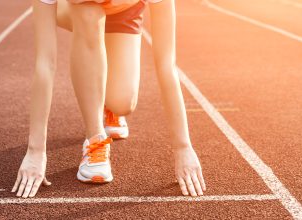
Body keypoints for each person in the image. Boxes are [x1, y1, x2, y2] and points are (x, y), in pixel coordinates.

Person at [12, 0, 206, 198]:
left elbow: (166, 65)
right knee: (89, 14)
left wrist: (183, 147)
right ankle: (95, 138)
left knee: (122, 103)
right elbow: (45, 63)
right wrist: (35, 151)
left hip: (124, 11)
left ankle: (108, 106)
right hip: (75, 10)